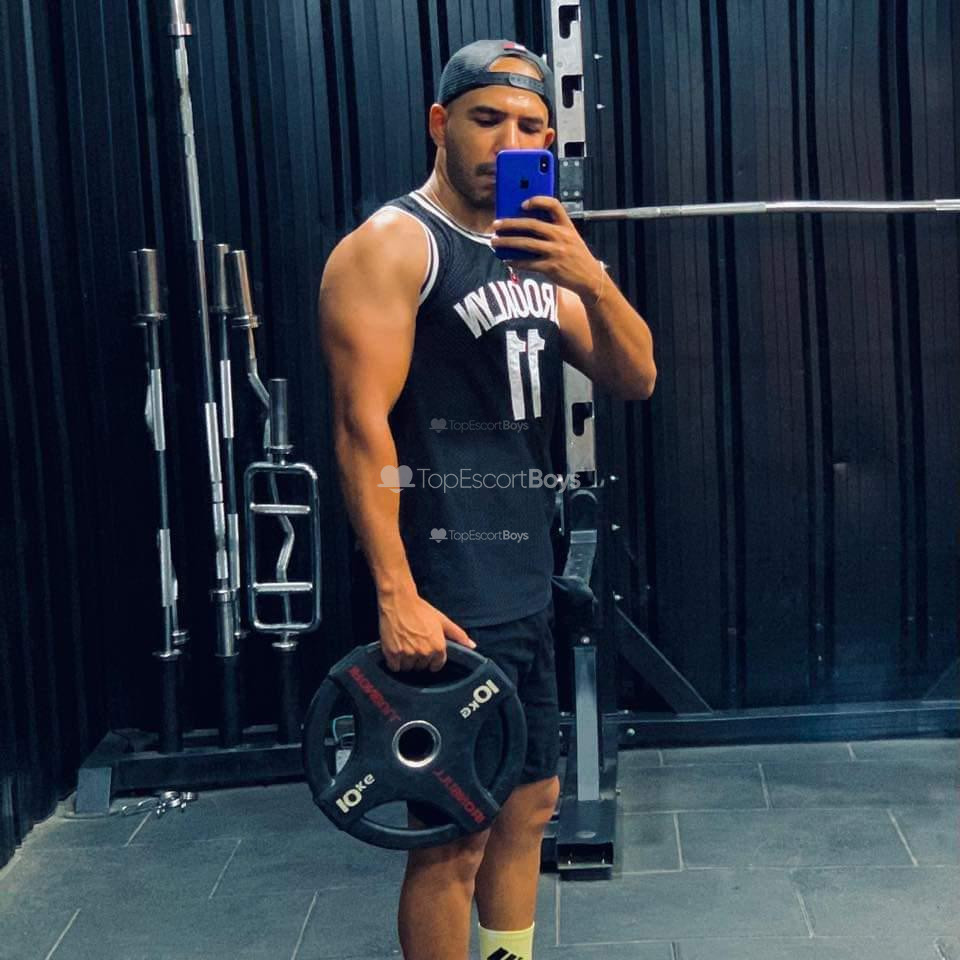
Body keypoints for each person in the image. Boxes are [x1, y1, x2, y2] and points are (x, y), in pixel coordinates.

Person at [318, 38, 656, 960]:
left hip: (525, 579)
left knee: (530, 805)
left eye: (530, 127)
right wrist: (396, 593)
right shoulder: (394, 247)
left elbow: (636, 375)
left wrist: (588, 276)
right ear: (440, 123)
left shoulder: (534, 252)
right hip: (447, 587)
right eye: (486, 119)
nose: (509, 142)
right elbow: (358, 429)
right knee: (452, 836)